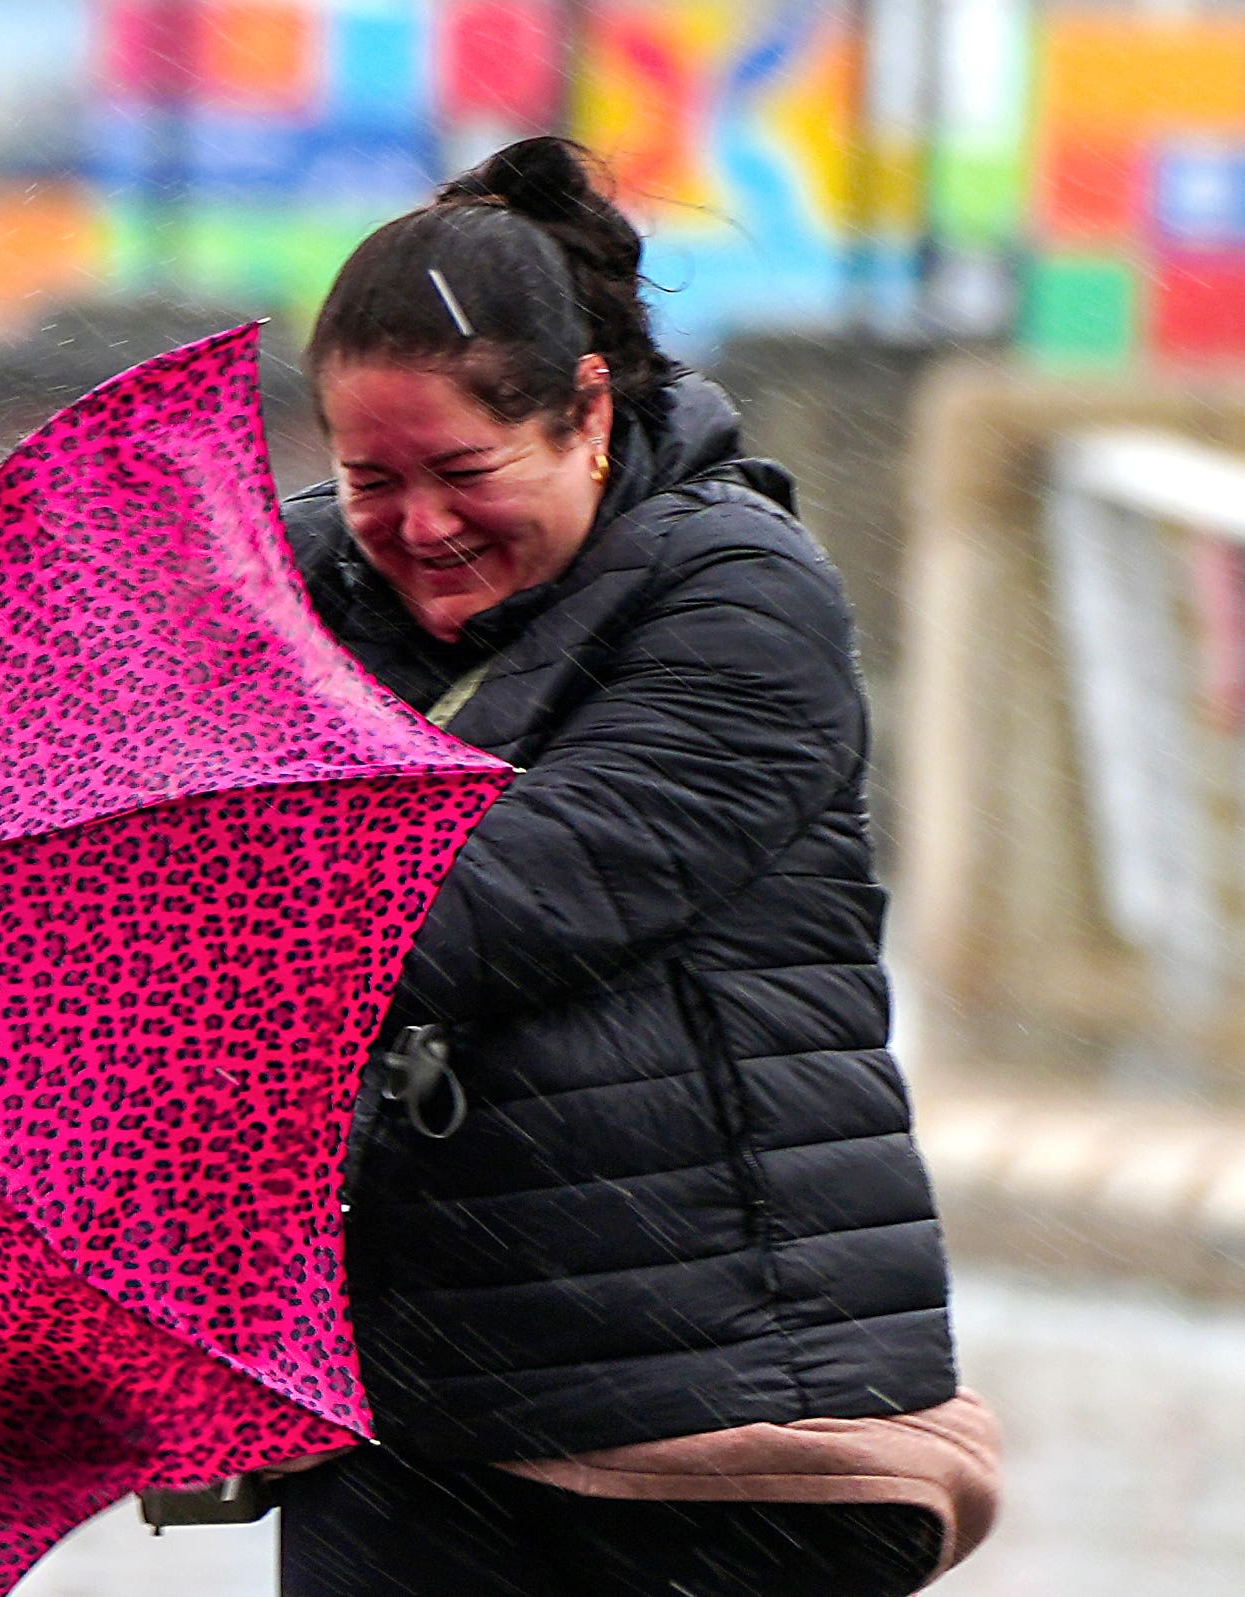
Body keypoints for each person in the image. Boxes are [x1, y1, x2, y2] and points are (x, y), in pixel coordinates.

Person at [270, 138, 1001, 1597]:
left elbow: (477, 906)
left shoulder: (736, 597)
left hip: (718, 1429)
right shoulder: (286, 600)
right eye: (370, 478)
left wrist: (156, 904)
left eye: (463, 470)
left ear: (586, 412)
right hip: (407, 1424)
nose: (417, 527)